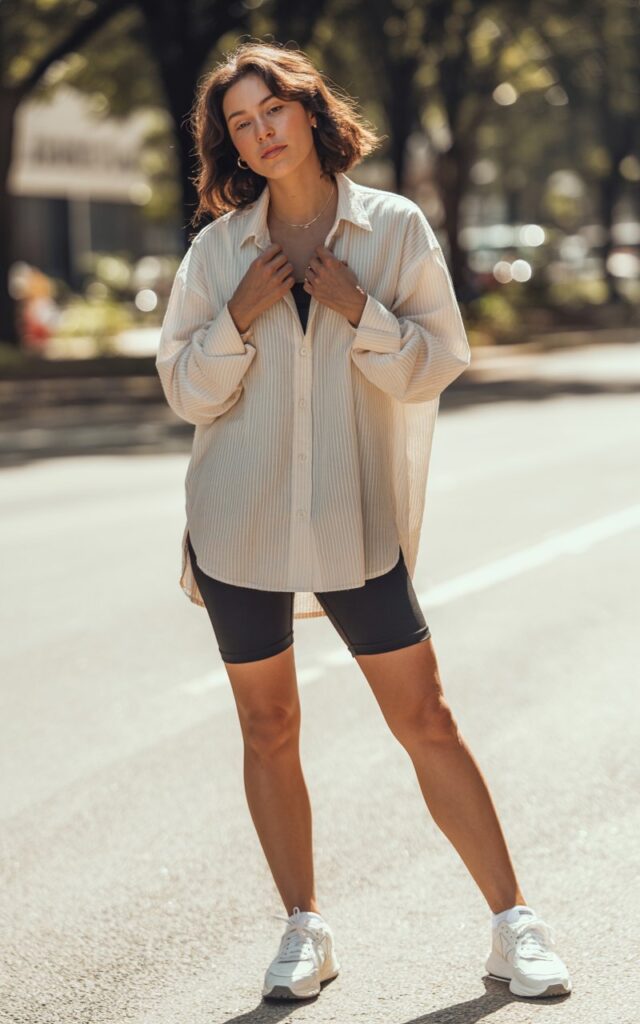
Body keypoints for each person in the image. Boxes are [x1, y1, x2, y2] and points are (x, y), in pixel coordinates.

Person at [155, 39, 572, 1004]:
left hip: (353, 516)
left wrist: (359, 307)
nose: (259, 134)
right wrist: (240, 318)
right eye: (239, 124)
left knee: (424, 713)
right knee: (269, 726)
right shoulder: (219, 252)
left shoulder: (392, 229)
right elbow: (186, 390)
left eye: (273, 112)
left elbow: (436, 360)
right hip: (238, 523)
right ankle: (305, 929)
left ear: (308, 110)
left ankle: (515, 923)